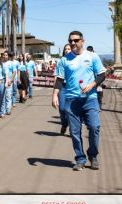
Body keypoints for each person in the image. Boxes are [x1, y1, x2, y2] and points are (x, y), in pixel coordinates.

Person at [52, 31, 106, 171]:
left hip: (90, 99)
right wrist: (55, 95)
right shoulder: (64, 60)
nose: (73, 43)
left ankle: (93, 155)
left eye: (76, 40)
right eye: (71, 40)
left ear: (83, 41)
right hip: (72, 100)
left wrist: (92, 85)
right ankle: (80, 159)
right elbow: (59, 79)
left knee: (94, 127)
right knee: (75, 132)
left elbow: (101, 74)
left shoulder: (92, 56)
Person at [55, 44, 71, 135]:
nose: (67, 50)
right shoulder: (60, 61)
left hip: (72, 87)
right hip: (62, 86)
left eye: (69, 49)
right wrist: (54, 92)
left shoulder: (76, 60)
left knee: (71, 109)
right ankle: (64, 124)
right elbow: (56, 77)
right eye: (66, 49)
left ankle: (72, 129)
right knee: (62, 108)